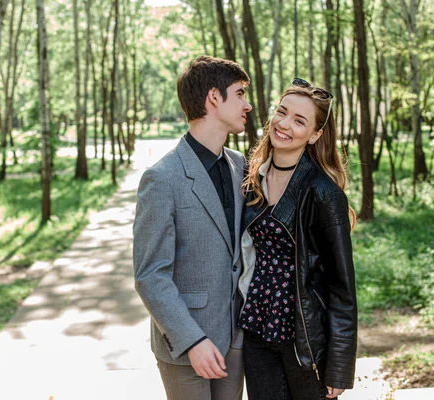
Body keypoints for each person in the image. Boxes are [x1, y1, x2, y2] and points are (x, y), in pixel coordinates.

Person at [133, 55, 252, 400]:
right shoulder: (162, 178)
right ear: (214, 98)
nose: (247, 104)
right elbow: (150, 275)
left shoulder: (239, 166)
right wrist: (192, 340)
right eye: (240, 93)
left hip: (234, 338)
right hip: (186, 344)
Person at [238, 78, 357, 400]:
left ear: (315, 135)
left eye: (299, 120)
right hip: (256, 326)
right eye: (282, 112)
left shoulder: (324, 194)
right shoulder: (252, 180)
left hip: (303, 337)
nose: (284, 124)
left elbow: (341, 286)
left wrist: (340, 366)